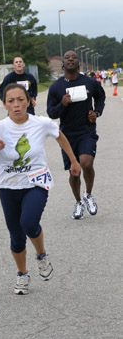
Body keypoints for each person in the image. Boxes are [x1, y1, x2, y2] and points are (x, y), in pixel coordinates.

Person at [0, 84, 81, 295]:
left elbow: (59, 135)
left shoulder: (41, 123)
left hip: (36, 182)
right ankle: (23, 274)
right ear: (4, 104)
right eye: (11, 101)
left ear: (29, 101)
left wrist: (73, 160)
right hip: (8, 187)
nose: (16, 105)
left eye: (20, 100)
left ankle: (41, 255)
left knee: (28, 222)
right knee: (16, 236)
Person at [47, 50, 105, 220]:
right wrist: (62, 104)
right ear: (63, 64)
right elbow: (51, 113)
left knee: (86, 164)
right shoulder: (56, 87)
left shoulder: (89, 82)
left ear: (79, 63)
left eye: (74, 58)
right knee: (74, 172)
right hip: (67, 136)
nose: (71, 59)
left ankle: (88, 194)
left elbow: (100, 98)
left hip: (86, 131)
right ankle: (78, 202)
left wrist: (97, 112)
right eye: (67, 58)